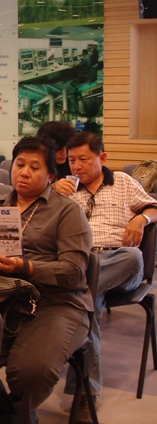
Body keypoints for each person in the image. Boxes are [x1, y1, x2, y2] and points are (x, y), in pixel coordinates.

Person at [0, 136, 92, 424]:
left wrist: (26, 267)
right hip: (3, 297)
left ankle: (19, 413)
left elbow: (74, 271)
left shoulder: (67, 210)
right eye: (19, 165)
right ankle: (7, 414)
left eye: (34, 167)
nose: (24, 173)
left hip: (56, 302)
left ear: (51, 176)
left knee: (31, 371)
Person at [54, 131, 157, 414]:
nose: (77, 166)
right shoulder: (65, 189)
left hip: (119, 262)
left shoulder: (123, 182)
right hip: (82, 262)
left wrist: (141, 218)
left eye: (84, 160)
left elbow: (154, 207)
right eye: (72, 160)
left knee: (133, 255)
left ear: (102, 158)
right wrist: (52, 196)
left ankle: (74, 290)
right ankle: (85, 395)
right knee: (89, 303)